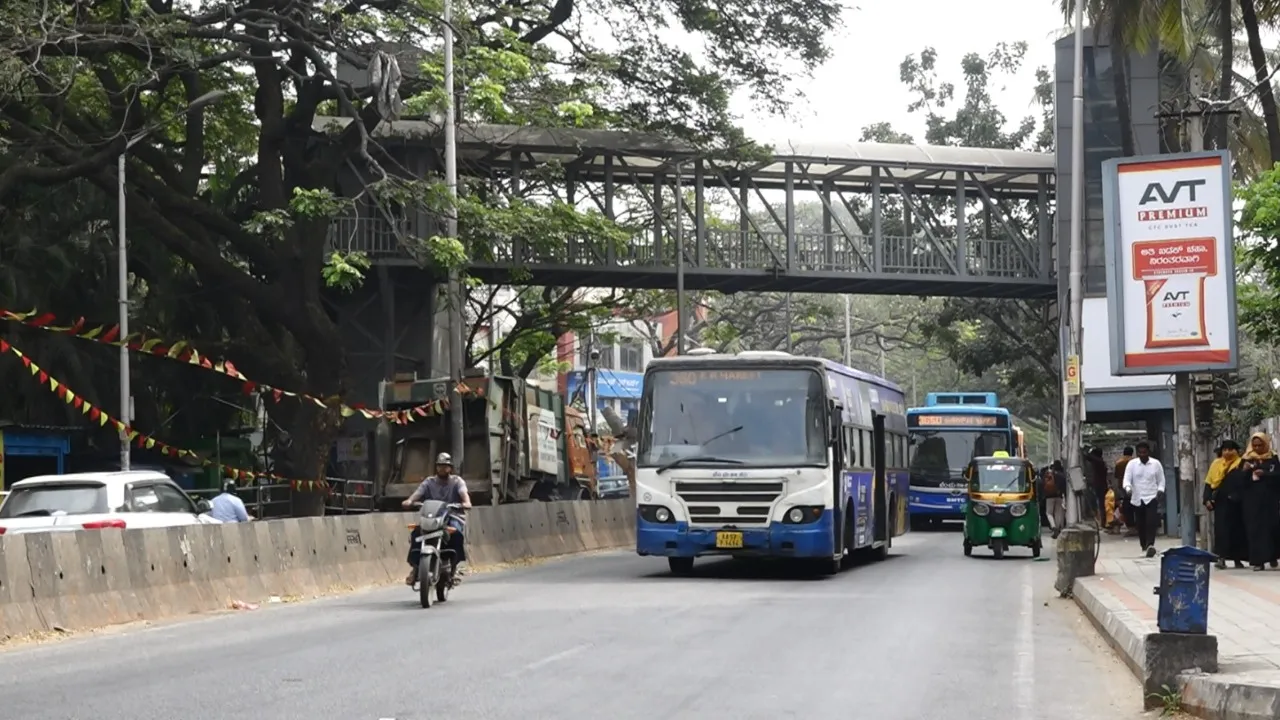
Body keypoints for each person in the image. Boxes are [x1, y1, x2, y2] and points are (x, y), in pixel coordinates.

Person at [402, 452, 472, 585]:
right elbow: (417, 494)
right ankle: (416, 567)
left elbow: (465, 497)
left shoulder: (457, 482)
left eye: (445, 466)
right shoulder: (429, 482)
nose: (442, 469)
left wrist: (465, 503)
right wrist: (410, 501)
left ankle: (454, 567)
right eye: (440, 466)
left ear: (450, 468)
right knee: (416, 533)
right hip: (432, 517)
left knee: (456, 534)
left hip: (452, 516)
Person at [1239, 432, 1280, 572]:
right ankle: (1258, 561)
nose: (1257, 448)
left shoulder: (1272, 458)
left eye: (1260, 445)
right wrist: (1245, 472)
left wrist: (1266, 474)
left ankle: (1273, 556)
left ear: (1265, 444)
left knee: (1272, 529)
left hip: (1269, 500)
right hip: (1252, 502)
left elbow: (1278, 476)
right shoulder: (1246, 459)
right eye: (1254, 445)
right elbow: (1239, 481)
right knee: (1255, 530)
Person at [1204, 440, 1247, 570]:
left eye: (1230, 449)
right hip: (1221, 503)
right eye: (1225, 449)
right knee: (1221, 530)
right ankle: (1221, 558)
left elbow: (1245, 483)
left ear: (1237, 451)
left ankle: (1237, 559)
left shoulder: (1241, 464)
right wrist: (1207, 499)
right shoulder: (1216, 464)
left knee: (1237, 531)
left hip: (1236, 504)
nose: (1227, 452)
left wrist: (1236, 496)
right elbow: (1208, 482)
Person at [1122, 440, 1165, 558]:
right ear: (1137, 453)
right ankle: (1144, 545)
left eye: (1144, 452)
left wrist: (1160, 490)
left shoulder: (1156, 464)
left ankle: (1150, 544)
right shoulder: (1132, 464)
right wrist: (1128, 488)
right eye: (1140, 453)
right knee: (1140, 524)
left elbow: (1161, 480)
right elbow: (1126, 479)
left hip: (1152, 496)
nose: (1142, 455)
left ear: (1148, 452)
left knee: (1151, 522)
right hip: (1137, 497)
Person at [1114, 447, 1137, 536]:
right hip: (1135, 486)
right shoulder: (1135, 462)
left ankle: (1131, 526)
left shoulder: (1119, 462)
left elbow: (1116, 476)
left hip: (1123, 487)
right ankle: (1136, 525)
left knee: (1126, 506)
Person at [1086, 447, 1110, 528]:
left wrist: (1088, 450)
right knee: (1100, 504)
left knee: (1100, 504)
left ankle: (1102, 523)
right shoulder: (1101, 462)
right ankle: (1102, 522)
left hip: (1099, 486)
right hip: (1101, 485)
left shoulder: (1099, 462)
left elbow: (1088, 456)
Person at [1042, 461, 1066, 538]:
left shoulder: (1050, 474)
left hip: (1049, 496)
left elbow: (1044, 484)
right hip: (1059, 496)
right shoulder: (1062, 475)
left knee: (1049, 513)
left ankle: (1053, 527)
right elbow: (1064, 487)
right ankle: (1058, 528)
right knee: (1057, 513)